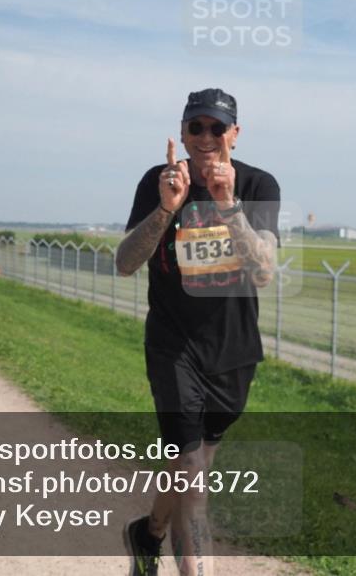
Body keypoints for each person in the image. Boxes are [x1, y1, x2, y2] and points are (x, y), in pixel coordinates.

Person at [116, 88, 279, 576]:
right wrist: (167, 207)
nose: (206, 137)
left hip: (233, 349)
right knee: (191, 469)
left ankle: (147, 535)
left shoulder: (258, 184)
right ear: (182, 132)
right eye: (196, 127)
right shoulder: (158, 180)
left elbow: (265, 271)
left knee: (193, 464)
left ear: (235, 133)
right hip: (173, 344)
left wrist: (229, 205)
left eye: (216, 127)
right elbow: (125, 263)